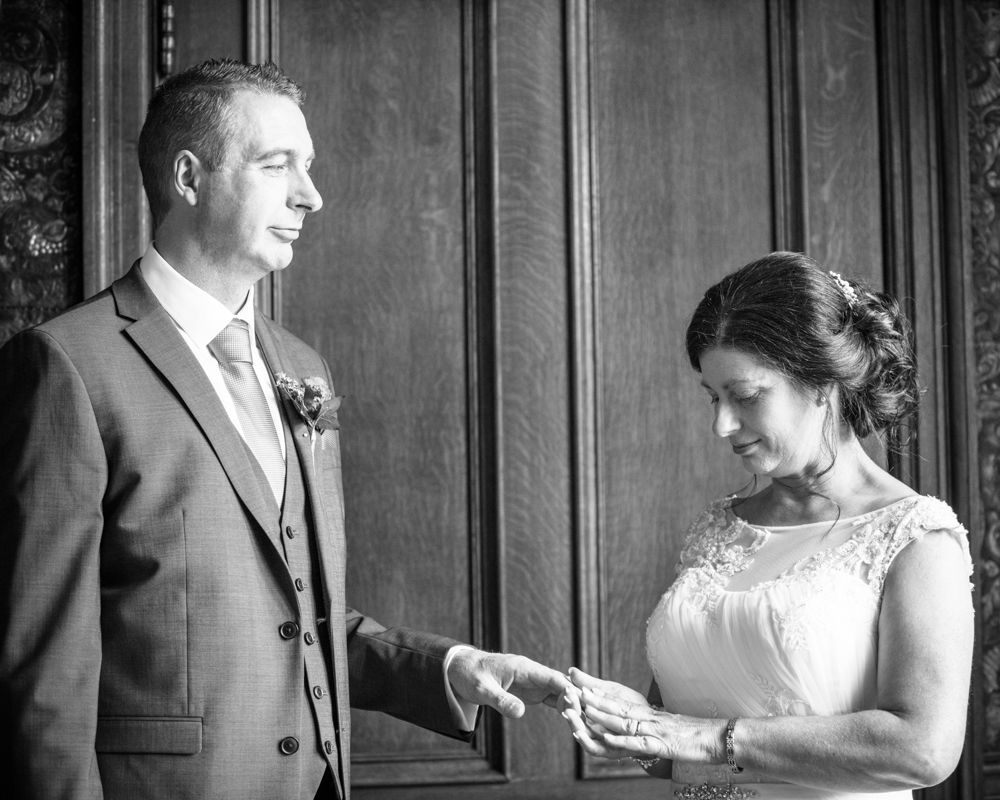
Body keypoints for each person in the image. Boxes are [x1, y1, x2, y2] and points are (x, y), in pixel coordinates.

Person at [0, 58, 569, 800]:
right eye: (277, 166)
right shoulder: (68, 365)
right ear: (188, 177)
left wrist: (449, 669)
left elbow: (294, 610)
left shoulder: (301, 366)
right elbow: (43, 667)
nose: (311, 195)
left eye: (309, 166)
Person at [561, 252, 974, 799]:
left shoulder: (915, 537)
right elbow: (674, 744)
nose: (722, 424)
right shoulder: (717, 528)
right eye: (713, 398)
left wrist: (709, 739)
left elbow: (923, 750)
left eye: (746, 396)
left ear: (821, 382)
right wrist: (634, 725)